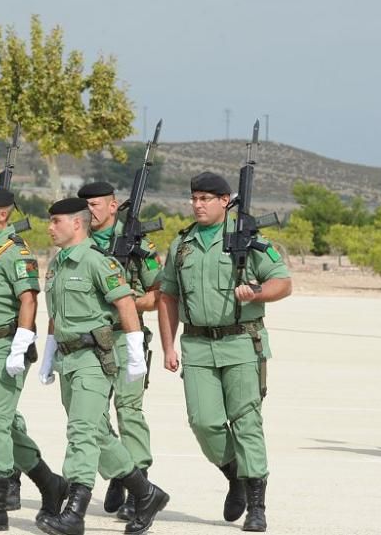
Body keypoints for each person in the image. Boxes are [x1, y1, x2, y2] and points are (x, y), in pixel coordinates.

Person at [157, 172, 291, 533]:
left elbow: (283, 282)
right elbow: (167, 295)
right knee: (204, 422)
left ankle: (257, 504)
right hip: (197, 344)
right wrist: (167, 345)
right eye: (194, 198)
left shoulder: (248, 240)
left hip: (241, 342)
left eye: (206, 198)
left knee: (246, 420)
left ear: (225, 201)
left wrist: (258, 292)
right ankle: (235, 475)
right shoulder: (181, 244)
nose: (198, 204)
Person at [38, 197, 169, 535]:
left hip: (94, 359)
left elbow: (126, 304)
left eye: (56, 221)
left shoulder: (99, 262)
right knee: (97, 431)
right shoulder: (57, 265)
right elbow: (56, 314)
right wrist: (49, 351)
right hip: (69, 358)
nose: (50, 228)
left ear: (77, 224)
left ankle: (75, 510)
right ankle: (145, 493)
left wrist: (136, 350)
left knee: (80, 431)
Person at [0, 185, 68, 532]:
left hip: (4, 347)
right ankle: (49, 481)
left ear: (3, 214)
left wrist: (22, 341)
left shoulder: (13, 252)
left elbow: (29, 299)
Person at [77, 181, 164, 522]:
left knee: (129, 410)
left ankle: (139, 485)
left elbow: (159, 294)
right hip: (88, 342)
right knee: (92, 416)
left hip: (126, 337)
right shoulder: (78, 242)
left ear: (113, 206)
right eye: (85, 206)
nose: (90, 211)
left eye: (96, 205)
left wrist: (124, 303)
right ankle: (120, 469)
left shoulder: (138, 244)